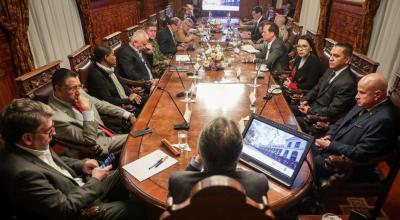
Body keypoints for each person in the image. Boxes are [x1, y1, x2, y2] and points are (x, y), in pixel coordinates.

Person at [0, 98, 145, 220]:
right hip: (82, 210)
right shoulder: (22, 174)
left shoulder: (32, 141)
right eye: (50, 130)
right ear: (27, 138)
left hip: (82, 187)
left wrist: (81, 164)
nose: (54, 133)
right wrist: (95, 181)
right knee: (141, 208)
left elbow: (53, 162)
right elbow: (64, 209)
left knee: (127, 172)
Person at [312, 73, 398, 180]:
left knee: (307, 163)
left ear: (377, 95)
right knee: (304, 146)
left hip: (347, 165)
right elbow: (341, 121)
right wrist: (329, 136)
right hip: (333, 149)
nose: (356, 96)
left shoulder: (384, 120)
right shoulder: (366, 102)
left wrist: (330, 145)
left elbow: (361, 153)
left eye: (362, 92)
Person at [168, 117, 269, 204]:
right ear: (239, 154)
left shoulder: (177, 182)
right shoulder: (258, 182)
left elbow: (184, 180)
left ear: (200, 152)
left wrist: (195, 164)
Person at [48, 68, 135, 158]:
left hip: (108, 132)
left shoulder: (77, 91)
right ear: (58, 89)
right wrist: (87, 111)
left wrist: (128, 115)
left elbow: (100, 104)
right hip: (96, 149)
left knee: (141, 132)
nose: (78, 92)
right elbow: (89, 140)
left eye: (79, 86)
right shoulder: (56, 117)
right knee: (137, 138)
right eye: (73, 88)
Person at [293, 43, 357, 133]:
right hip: (311, 107)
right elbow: (317, 87)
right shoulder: (331, 69)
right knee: (286, 110)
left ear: (347, 60)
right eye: (331, 55)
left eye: (336, 56)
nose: (331, 59)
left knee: (289, 122)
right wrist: (305, 99)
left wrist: (310, 110)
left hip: (319, 119)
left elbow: (333, 110)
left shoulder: (348, 83)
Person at [87, 44, 144, 112]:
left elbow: (121, 84)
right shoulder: (96, 75)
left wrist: (131, 93)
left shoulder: (110, 67)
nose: (115, 57)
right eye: (113, 55)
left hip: (126, 100)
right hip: (120, 108)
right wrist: (128, 100)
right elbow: (107, 100)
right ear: (106, 57)